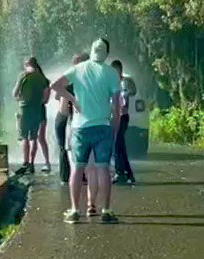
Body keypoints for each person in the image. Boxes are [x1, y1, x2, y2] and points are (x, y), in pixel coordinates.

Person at [50, 39, 125, 224]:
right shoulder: (112, 73)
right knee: (103, 169)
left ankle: (75, 210)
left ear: (91, 50)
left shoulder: (78, 69)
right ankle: (106, 210)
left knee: (78, 168)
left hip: (80, 128)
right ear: (106, 53)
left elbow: (55, 86)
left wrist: (72, 99)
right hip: (102, 126)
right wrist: (115, 130)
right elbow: (116, 109)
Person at [12, 57, 50, 175]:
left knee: (24, 137)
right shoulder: (43, 78)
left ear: (26, 64)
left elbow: (15, 93)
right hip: (38, 110)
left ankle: (25, 162)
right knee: (34, 137)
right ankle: (32, 163)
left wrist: (20, 99)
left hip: (25, 109)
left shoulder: (23, 76)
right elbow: (45, 99)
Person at [54, 53, 86, 186]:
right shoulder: (75, 79)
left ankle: (66, 177)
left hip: (64, 116)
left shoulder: (71, 78)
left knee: (67, 147)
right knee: (71, 147)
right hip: (67, 117)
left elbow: (57, 96)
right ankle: (70, 176)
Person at [110, 59, 139, 186]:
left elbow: (133, 91)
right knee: (120, 146)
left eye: (117, 70)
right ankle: (128, 173)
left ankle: (119, 172)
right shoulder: (110, 82)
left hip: (123, 116)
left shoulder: (125, 81)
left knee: (118, 144)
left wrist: (127, 90)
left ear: (120, 70)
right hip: (113, 116)